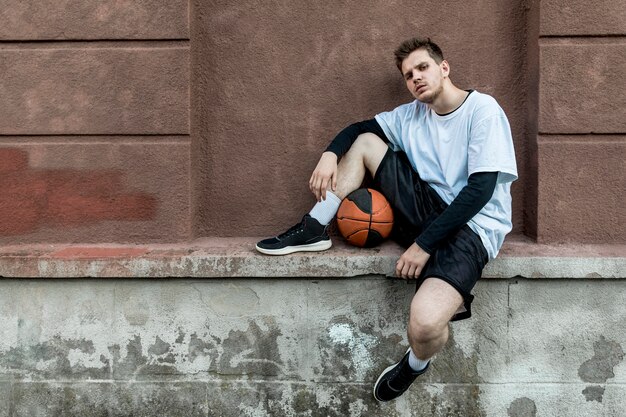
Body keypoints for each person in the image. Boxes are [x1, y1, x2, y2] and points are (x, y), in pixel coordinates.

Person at [256, 37, 517, 402]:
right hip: (423, 207)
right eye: (409, 75)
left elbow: (480, 190)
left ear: (444, 68)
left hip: (470, 228)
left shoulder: (482, 110)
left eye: (423, 68)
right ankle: (315, 226)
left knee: (425, 325)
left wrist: (423, 246)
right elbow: (358, 130)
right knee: (365, 141)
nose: (416, 79)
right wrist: (330, 154)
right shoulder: (411, 114)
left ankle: (415, 363)